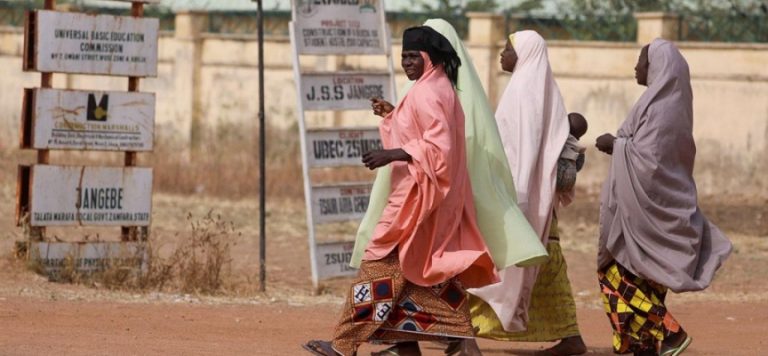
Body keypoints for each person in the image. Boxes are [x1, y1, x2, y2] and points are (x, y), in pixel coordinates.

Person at [302, 26, 502, 356]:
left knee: (379, 266)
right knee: (421, 274)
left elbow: (440, 147)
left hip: (418, 201)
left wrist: (391, 154)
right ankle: (455, 340)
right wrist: (394, 115)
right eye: (404, 56)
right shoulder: (435, 86)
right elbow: (425, 133)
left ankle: (343, 344)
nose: (406, 62)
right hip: (425, 197)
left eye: (413, 56)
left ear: (430, 57)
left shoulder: (427, 92)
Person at [594, 39, 732, 356]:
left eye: (641, 60)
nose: (636, 67)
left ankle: (670, 332)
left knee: (615, 273)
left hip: (646, 209)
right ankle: (644, 344)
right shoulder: (667, 104)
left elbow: (651, 160)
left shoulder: (661, 109)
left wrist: (616, 145)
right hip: (652, 207)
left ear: (656, 66)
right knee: (644, 276)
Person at [464, 30, 588, 356]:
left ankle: (461, 333)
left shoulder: (521, 95)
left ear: (525, 54)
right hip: (539, 206)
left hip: (514, 202)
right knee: (542, 270)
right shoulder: (547, 94)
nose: (502, 55)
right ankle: (464, 332)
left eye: (507, 49)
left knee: (495, 266)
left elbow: (509, 152)